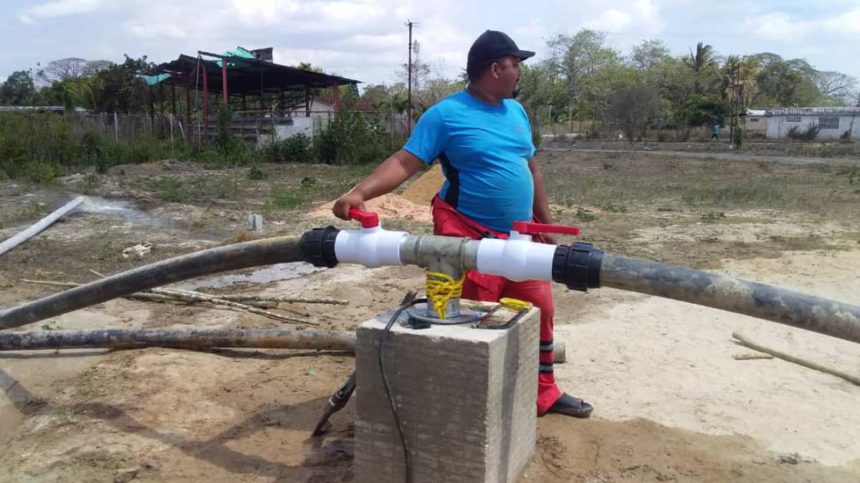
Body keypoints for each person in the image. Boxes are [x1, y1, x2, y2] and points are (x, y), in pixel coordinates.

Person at [333, 30, 593, 418]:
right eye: (515, 65)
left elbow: (531, 168)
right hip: (469, 238)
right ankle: (475, 404)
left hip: (521, 238)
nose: (519, 73)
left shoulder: (517, 112)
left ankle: (544, 393)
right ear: (495, 68)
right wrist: (360, 193)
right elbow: (406, 162)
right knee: (477, 319)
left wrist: (546, 225)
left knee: (539, 309)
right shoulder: (445, 115)